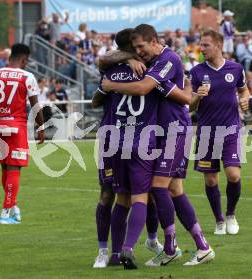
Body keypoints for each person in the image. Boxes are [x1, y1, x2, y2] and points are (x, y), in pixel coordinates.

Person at [102, 24, 214, 267]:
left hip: (174, 131)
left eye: (141, 47)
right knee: (172, 189)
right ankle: (197, 246)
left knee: (159, 187)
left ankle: (178, 246)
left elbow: (145, 89)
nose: (139, 52)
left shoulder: (167, 59)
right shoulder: (151, 62)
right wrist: (131, 58)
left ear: (154, 41)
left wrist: (112, 86)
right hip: (157, 134)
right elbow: (184, 98)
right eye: (135, 49)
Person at [189, 30, 250, 236]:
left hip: (231, 129)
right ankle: (219, 220)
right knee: (211, 181)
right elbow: (189, 106)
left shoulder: (236, 68)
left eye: (206, 45)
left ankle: (231, 214)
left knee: (233, 175)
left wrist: (245, 99)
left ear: (218, 45)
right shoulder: (196, 72)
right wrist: (197, 96)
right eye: (201, 44)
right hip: (206, 132)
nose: (202, 48)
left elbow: (243, 90)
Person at [0, 44, 45, 224]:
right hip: (16, 126)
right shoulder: (27, 76)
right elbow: (35, 105)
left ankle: (12, 206)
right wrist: (41, 127)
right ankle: (6, 211)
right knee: (14, 169)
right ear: (24, 60)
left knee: (5, 167)